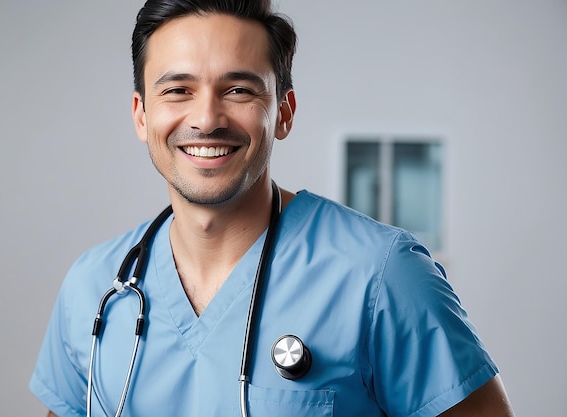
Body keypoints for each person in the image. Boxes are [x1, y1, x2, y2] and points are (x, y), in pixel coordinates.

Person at [29, 0, 516, 416]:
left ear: (282, 112)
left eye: (238, 89)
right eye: (177, 90)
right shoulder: (91, 288)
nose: (206, 118)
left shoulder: (383, 275)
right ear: (141, 114)